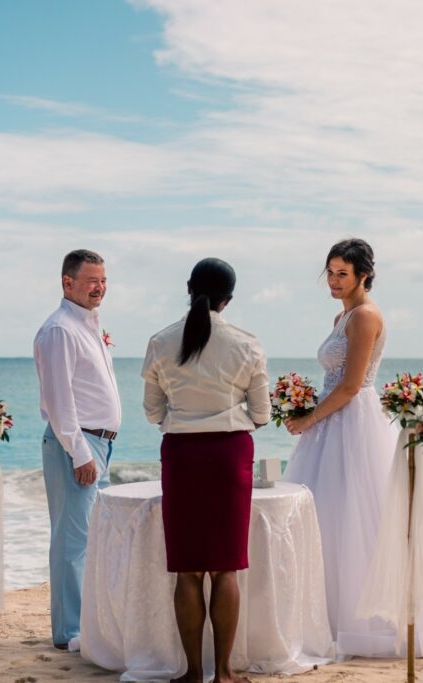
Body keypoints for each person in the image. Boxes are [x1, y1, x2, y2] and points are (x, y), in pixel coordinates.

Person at [142, 258, 271, 683]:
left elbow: (152, 411)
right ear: (228, 299)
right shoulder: (246, 343)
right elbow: (262, 413)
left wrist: (184, 419)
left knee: (188, 568)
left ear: (188, 288)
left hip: (181, 456)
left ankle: (194, 672)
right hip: (229, 455)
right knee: (225, 567)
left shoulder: (161, 341)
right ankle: (226, 673)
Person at [281, 238, 402, 657]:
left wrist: (309, 418)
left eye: (342, 274)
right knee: (325, 516)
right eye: (330, 273)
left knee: (349, 516)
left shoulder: (365, 317)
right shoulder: (343, 314)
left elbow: (352, 385)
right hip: (330, 420)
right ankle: (322, 616)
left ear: (363, 275)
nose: (333, 280)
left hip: (351, 423)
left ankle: (356, 621)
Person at [33, 249, 121, 651]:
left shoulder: (87, 325)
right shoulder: (60, 330)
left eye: (102, 280)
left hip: (99, 442)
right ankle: (69, 633)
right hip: (79, 444)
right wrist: (80, 451)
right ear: (67, 282)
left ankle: (82, 624)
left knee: (88, 537)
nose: (99, 287)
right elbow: (58, 398)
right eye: (91, 280)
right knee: (72, 540)